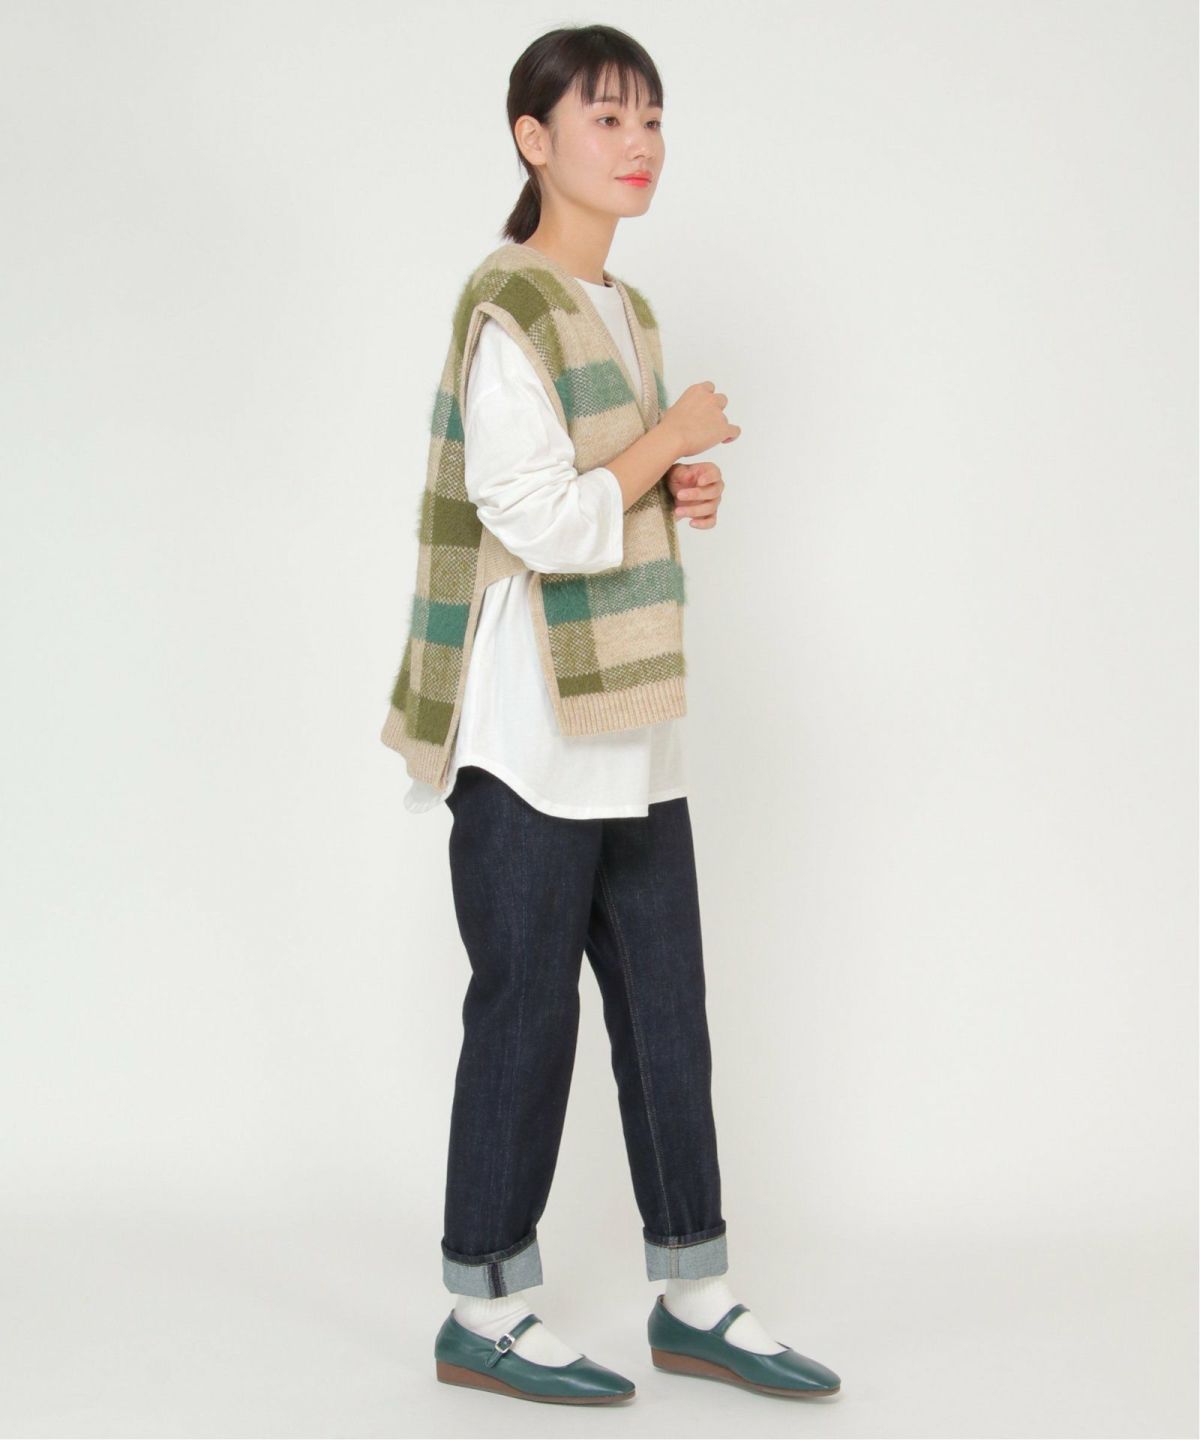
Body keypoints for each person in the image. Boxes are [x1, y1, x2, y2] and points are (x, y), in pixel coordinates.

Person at [381, 23, 842, 1406]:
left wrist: (674, 482)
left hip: (632, 720)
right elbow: (541, 520)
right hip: (529, 734)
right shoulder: (506, 306)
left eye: (651, 119)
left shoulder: (624, 310)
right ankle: (483, 1307)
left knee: (664, 1015)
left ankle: (694, 1293)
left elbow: (612, 496)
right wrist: (668, 443)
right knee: (525, 1015)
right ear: (533, 140)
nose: (639, 144)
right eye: (606, 118)